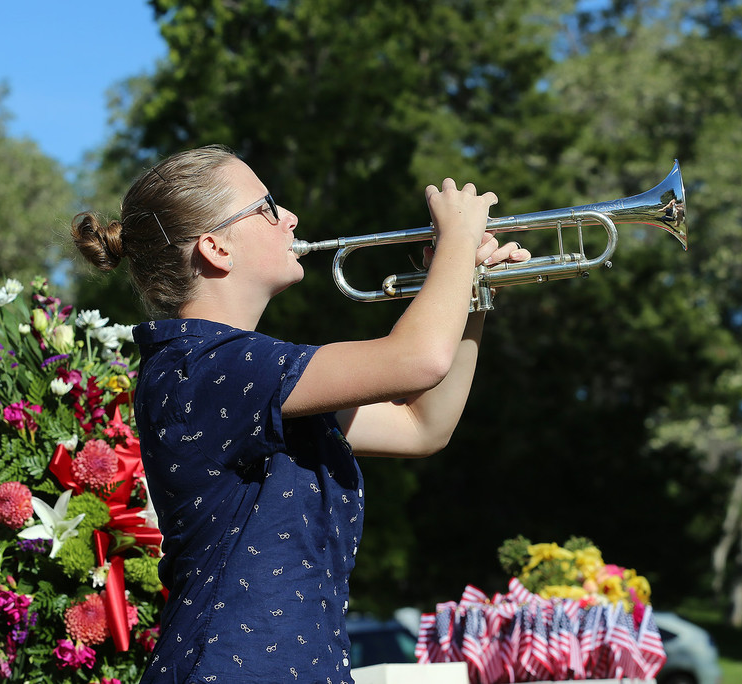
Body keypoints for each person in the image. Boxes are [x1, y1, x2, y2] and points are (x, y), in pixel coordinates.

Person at [71, 145, 529, 684]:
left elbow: (422, 425)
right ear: (216, 247)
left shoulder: (251, 374)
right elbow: (419, 359)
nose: (289, 218)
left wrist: (468, 290)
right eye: (266, 207)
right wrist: (455, 242)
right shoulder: (204, 365)